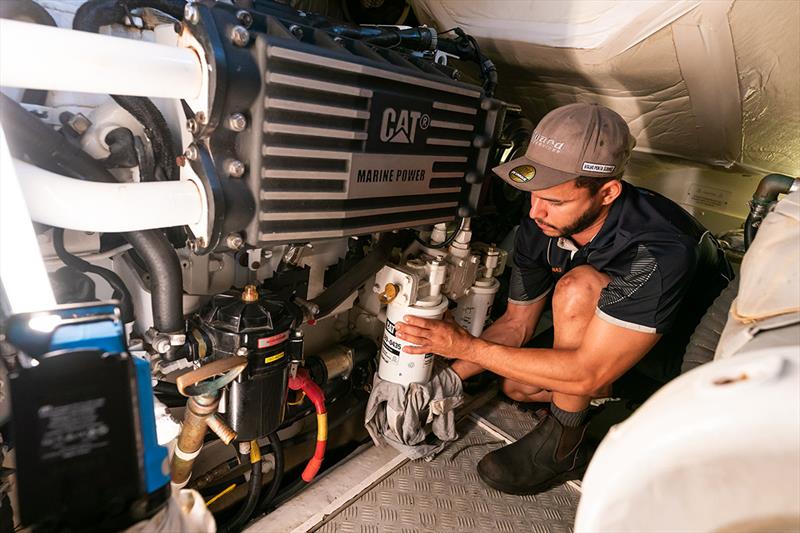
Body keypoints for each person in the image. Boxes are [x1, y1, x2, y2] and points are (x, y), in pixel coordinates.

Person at [395, 102, 731, 495]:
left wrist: (463, 344)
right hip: (607, 350)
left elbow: (589, 372)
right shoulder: (542, 224)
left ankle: (562, 449)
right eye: (534, 195)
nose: (536, 212)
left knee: (577, 289)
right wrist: (446, 378)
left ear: (607, 192)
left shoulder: (658, 249)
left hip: (673, 366)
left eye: (554, 201)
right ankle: (594, 405)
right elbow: (516, 325)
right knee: (515, 387)